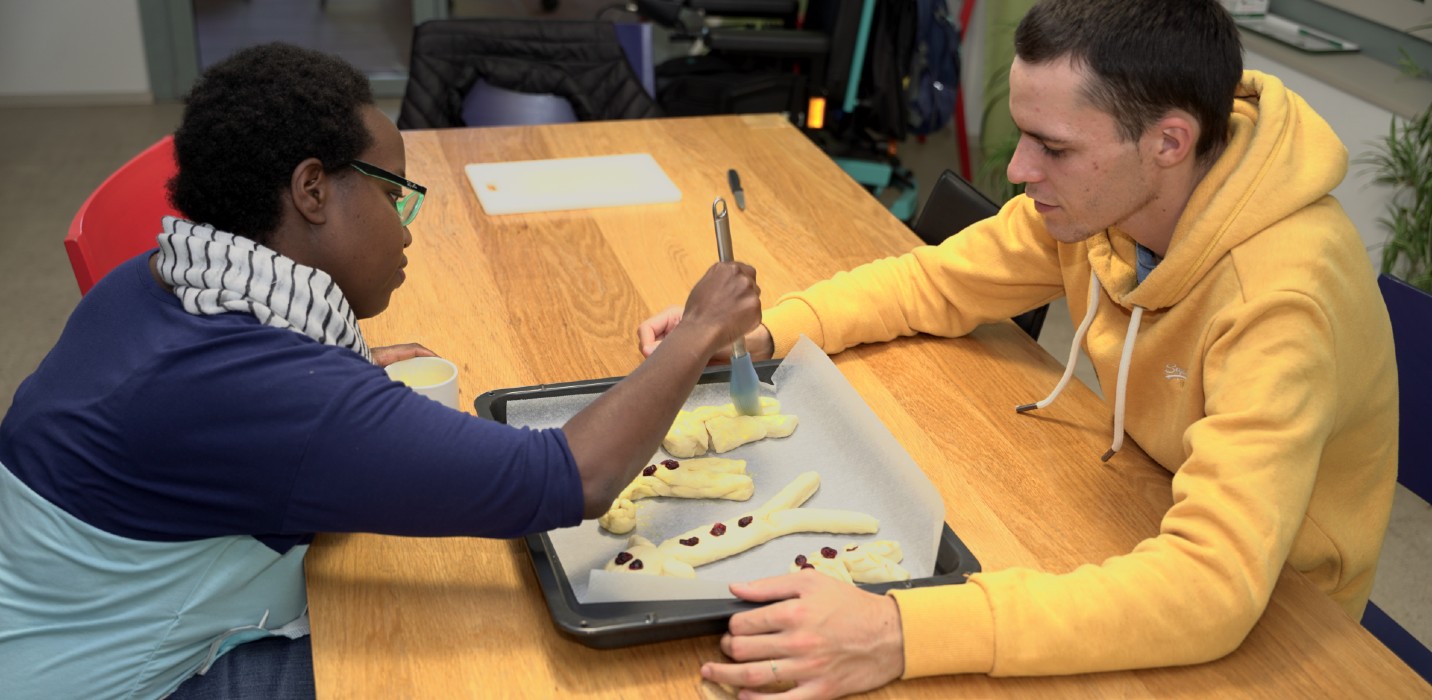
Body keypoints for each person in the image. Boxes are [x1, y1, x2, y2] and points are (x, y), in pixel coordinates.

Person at [639, 0, 1399, 697]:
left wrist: (902, 629)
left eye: (1053, 147)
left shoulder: (1282, 300)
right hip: (1140, 491)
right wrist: (766, 331)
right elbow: (933, 284)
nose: (1017, 170)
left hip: (1289, 631)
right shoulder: (1110, 196)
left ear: (1170, 141)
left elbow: (1213, 587)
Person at [0, 43, 761, 699]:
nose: (407, 230)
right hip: (124, 682)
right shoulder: (283, 399)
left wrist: (345, 382)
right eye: (395, 193)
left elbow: (248, 417)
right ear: (312, 189)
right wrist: (697, 332)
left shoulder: (161, 277)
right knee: (470, 657)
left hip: (45, 633)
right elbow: (576, 477)